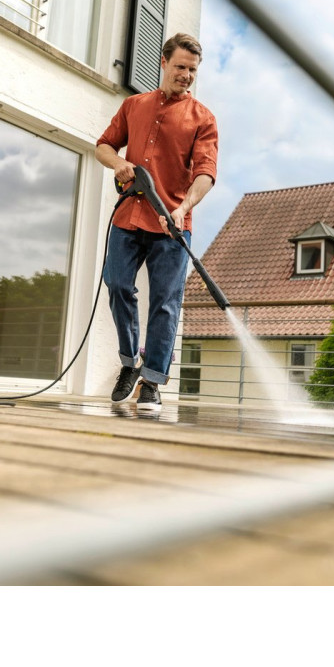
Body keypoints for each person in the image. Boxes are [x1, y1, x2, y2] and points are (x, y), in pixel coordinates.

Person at [95, 32, 219, 416]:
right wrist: (119, 163)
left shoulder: (203, 118)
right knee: (117, 284)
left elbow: (206, 173)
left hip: (172, 225)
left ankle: (151, 383)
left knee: (165, 303)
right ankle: (130, 361)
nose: (186, 75)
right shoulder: (134, 105)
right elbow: (103, 145)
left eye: (193, 70)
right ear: (164, 62)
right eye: (180, 66)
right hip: (129, 215)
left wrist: (184, 207)